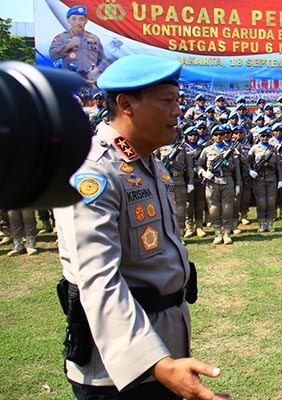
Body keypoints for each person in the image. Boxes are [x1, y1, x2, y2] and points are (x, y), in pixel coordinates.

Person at [52, 54, 228, 399]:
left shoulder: (147, 160)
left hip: (163, 345)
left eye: (178, 101)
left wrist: (165, 360)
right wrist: (157, 363)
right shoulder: (94, 171)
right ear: (126, 104)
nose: (179, 111)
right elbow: (97, 279)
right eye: (167, 102)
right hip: (119, 368)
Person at [197, 124, 241, 245]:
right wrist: (204, 173)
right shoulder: (206, 150)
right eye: (216, 134)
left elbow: (237, 169)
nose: (219, 136)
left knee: (227, 208)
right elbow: (199, 165)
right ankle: (217, 233)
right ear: (212, 136)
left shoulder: (231, 150)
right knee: (213, 208)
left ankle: (227, 233)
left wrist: (238, 184)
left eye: (221, 134)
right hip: (212, 182)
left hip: (227, 181)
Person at [49, 5, 106, 80]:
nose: (78, 22)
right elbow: (53, 55)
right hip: (70, 80)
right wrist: (68, 46)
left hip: (91, 81)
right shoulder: (61, 38)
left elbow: (103, 60)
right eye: (74, 19)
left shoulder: (94, 38)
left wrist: (97, 69)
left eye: (81, 19)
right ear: (68, 20)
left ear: (86, 21)